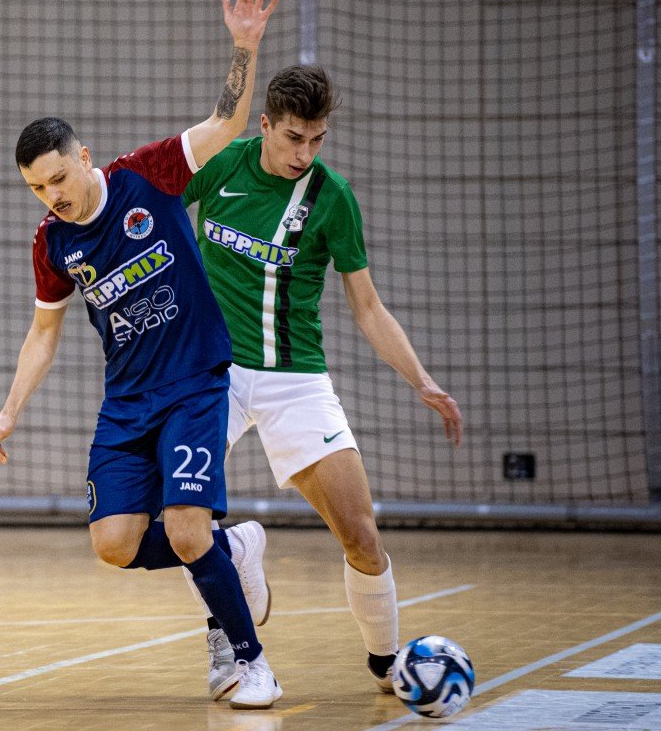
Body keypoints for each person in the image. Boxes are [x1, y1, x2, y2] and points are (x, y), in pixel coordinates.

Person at [0, 0, 284, 708]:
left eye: (58, 177)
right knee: (114, 544)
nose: (53, 195)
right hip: (127, 403)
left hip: (194, 383)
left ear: (83, 155)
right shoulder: (52, 243)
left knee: (185, 530)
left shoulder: (148, 175)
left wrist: (244, 48)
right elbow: (43, 333)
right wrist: (9, 411)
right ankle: (235, 549)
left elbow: (225, 124)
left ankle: (252, 661)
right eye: (37, 188)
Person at [180, 63, 464, 695]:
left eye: (316, 140)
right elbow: (152, 207)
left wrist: (421, 380)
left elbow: (368, 306)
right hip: (212, 373)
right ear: (264, 126)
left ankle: (387, 662)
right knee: (177, 514)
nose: (303, 154)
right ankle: (231, 612)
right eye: (292, 138)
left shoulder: (331, 197)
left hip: (295, 378)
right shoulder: (220, 164)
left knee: (360, 535)